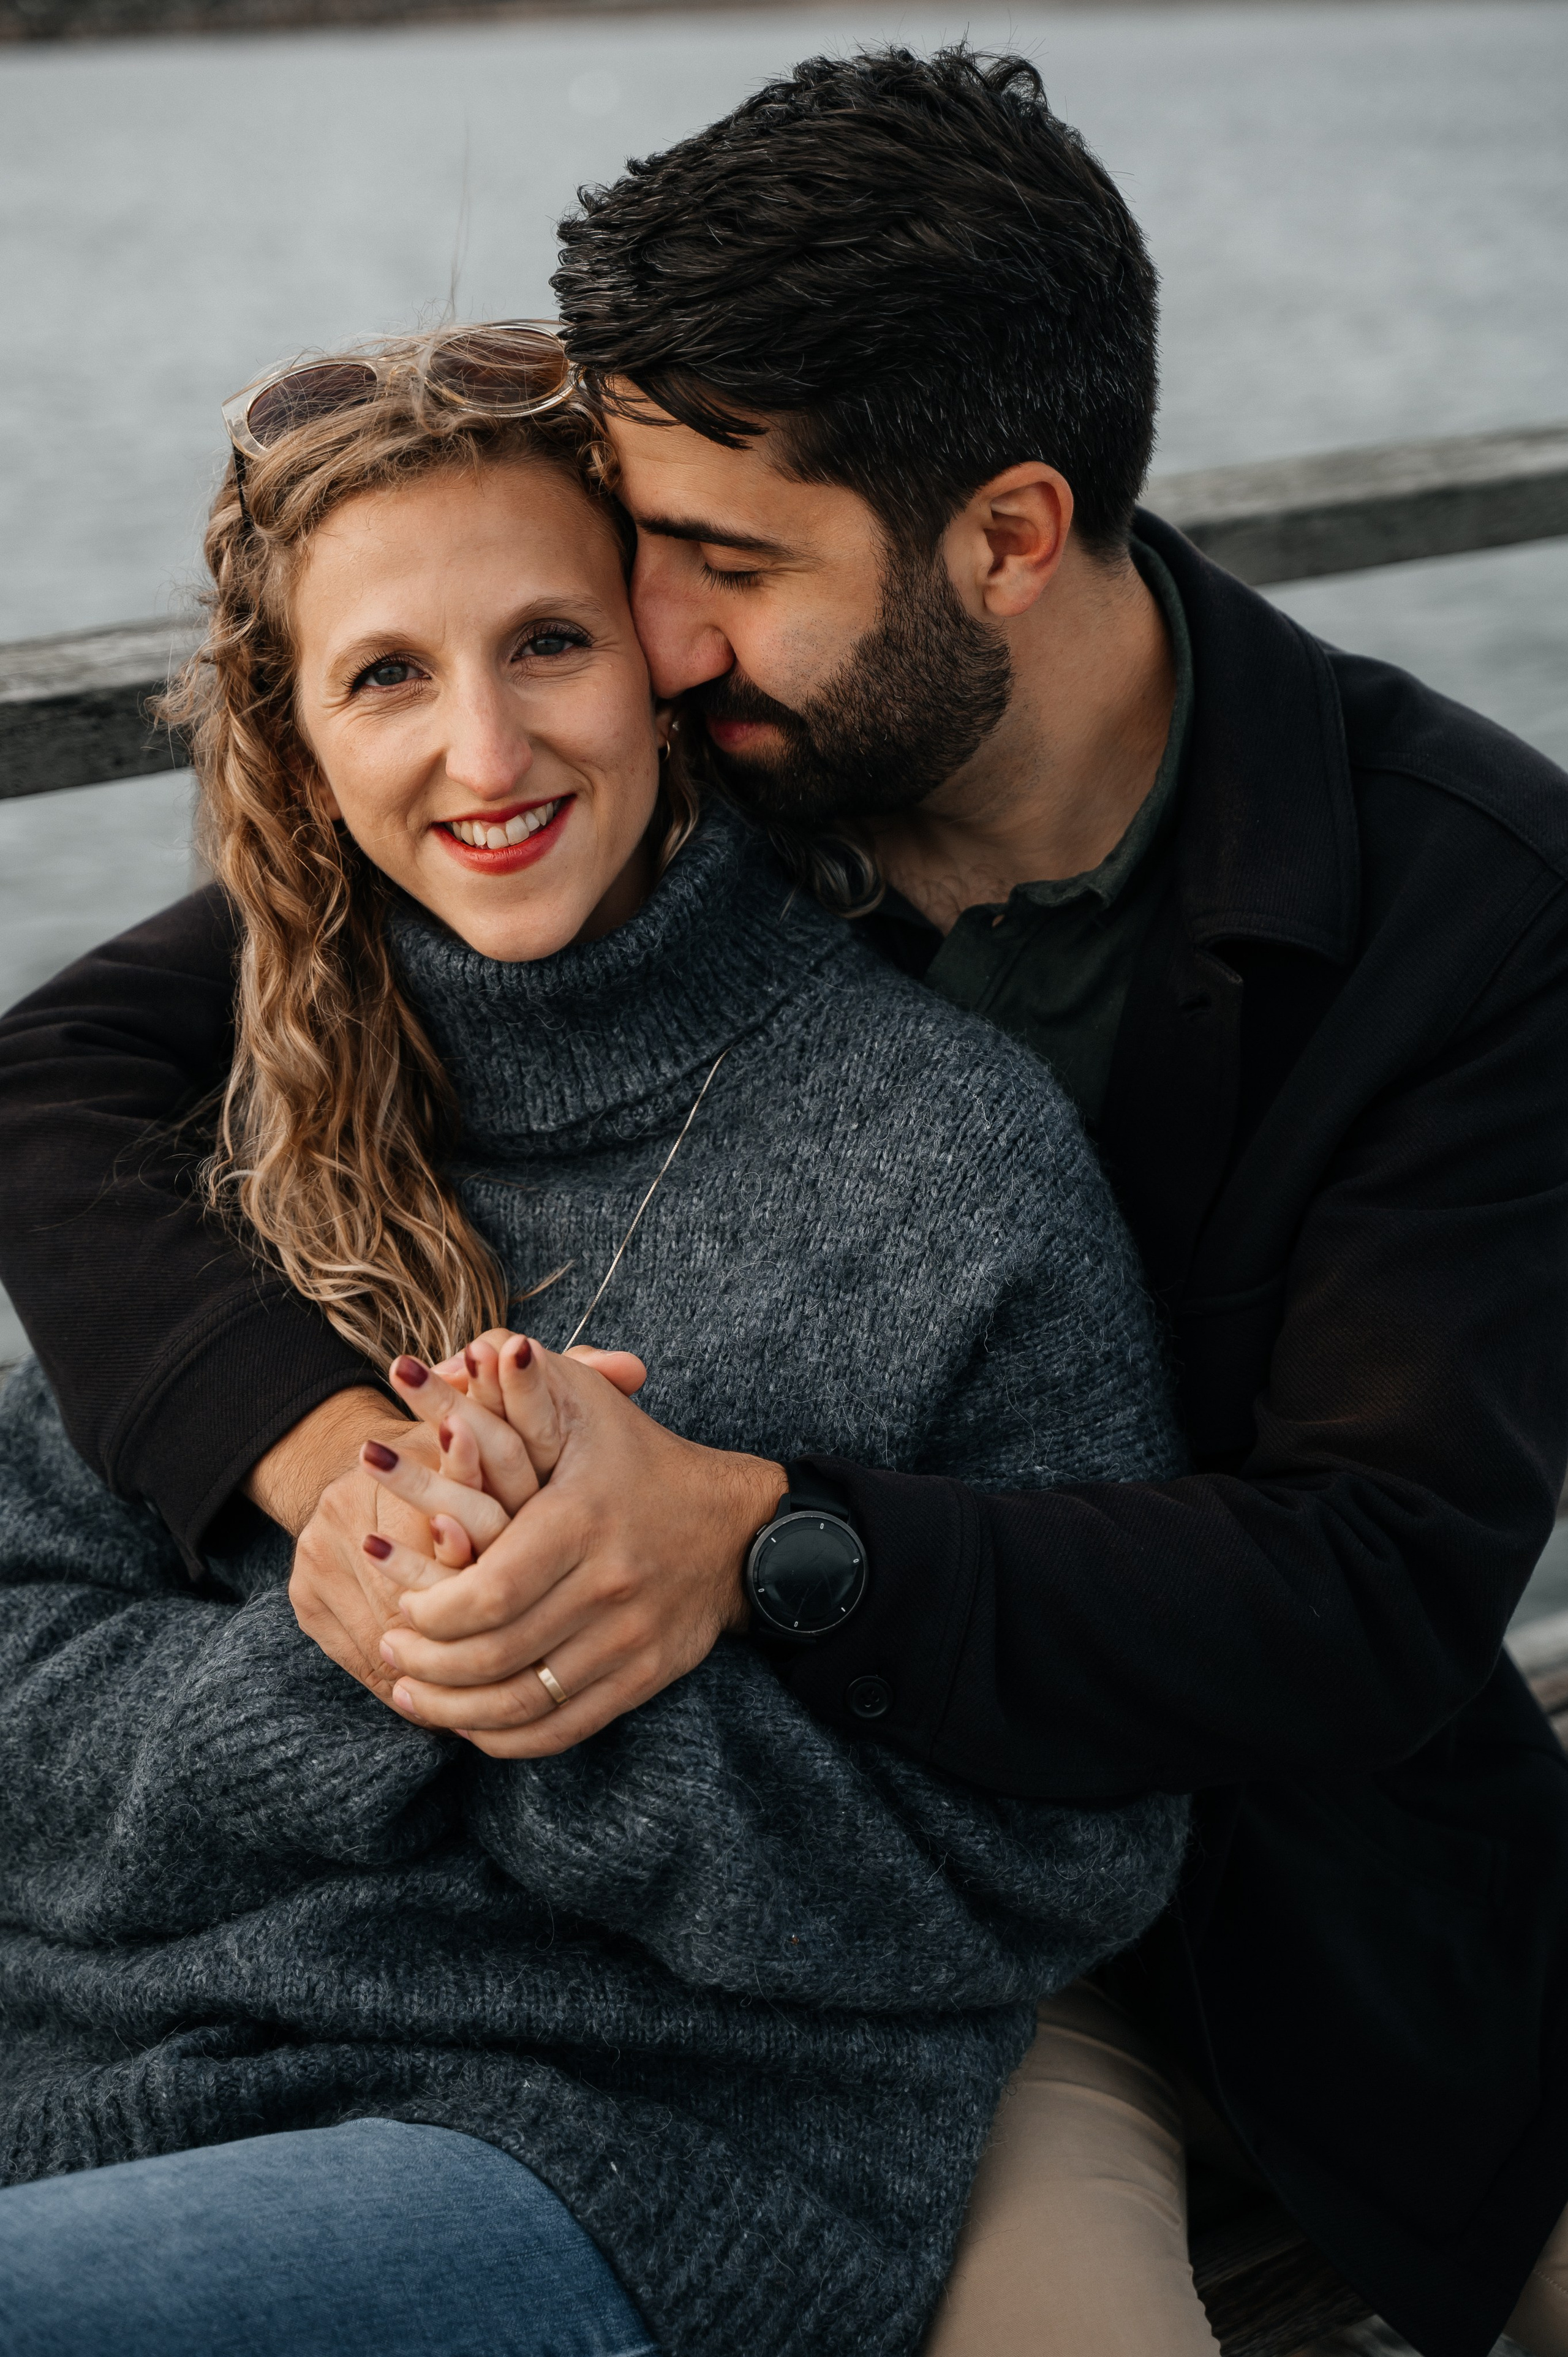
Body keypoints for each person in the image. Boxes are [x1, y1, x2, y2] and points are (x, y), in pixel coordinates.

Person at [3, 43, 1568, 2357]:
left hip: (1237, 1920)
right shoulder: (664, 799)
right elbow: (75, 1067)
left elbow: (1358, 1598)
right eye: (632, 556)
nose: (643, 639)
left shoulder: (1467, 908)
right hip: (580, 1977)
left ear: (1007, 538)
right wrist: (355, 1486)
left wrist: (739, 1536)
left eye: (718, 569)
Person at [0, 323, 1190, 2356]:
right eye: (388, 673)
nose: (486, 751)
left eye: (546, 642)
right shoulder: (227, 1123)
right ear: (293, 740)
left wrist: (559, 1676)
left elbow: (1057, 1859)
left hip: (640, 2150)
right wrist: (344, 1639)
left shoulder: (942, 1158)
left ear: (664, 658)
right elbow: (28, 1698)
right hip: (105, 2083)